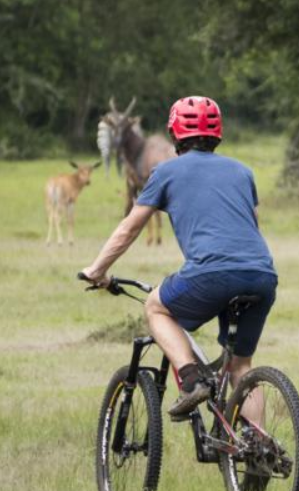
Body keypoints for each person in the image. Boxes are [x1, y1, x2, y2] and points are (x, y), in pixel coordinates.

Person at [80, 96, 277, 421]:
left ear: (174, 134)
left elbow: (130, 228)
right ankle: (258, 449)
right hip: (262, 274)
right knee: (241, 366)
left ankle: (191, 379)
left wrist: (97, 269)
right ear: (218, 135)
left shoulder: (166, 171)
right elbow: (252, 224)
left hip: (211, 274)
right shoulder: (242, 171)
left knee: (155, 306)